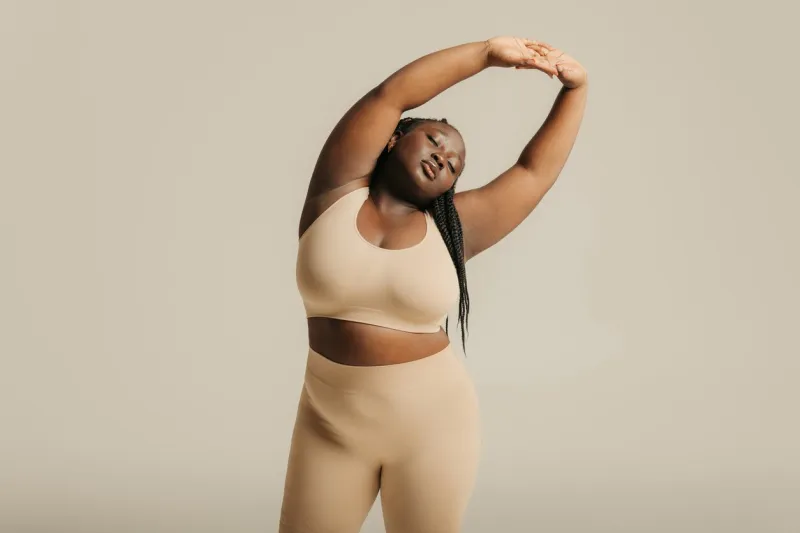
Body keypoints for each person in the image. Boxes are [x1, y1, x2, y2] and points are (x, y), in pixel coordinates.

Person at [279, 36, 587, 533]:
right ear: (394, 138)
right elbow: (391, 96)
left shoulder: (453, 231)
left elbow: (533, 173)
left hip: (432, 426)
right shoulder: (333, 192)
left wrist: (575, 90)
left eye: (455, 165)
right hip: (328, 423)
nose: (444, 159)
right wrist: (487, 54)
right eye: (435, 141)